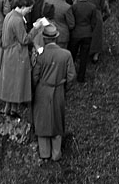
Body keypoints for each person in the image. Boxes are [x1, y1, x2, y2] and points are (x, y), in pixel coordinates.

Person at [31, 24, 76, 162]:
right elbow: (71, 76)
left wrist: (32, 91)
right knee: (57, 120)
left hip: (42, 90)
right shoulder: (66, 54)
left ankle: (44, 153)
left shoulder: (41, 55)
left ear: (44, 39)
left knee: (42, 121)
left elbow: (35, 76)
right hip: (58, 89)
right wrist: (64, 88)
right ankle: (56, 154)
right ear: (57, 38)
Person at [0, 0, 45, 116]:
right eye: (29, 8)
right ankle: (12, 110)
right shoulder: (17, 20)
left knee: (10, 81)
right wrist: (35, 28)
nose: (30, 10)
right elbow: (24, 40)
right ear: (23, 6)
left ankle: (9, 108)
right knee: (17, 81)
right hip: (16, 54)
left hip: (9, 53)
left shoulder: (10, 15)